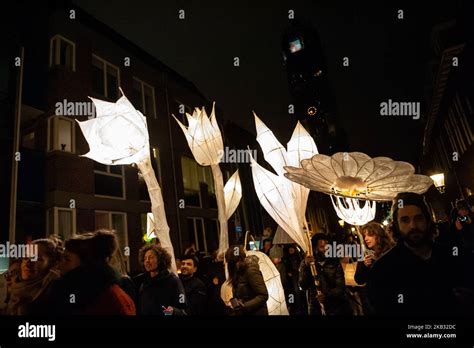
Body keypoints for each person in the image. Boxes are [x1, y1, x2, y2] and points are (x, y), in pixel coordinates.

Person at [367, 192, 465, 316]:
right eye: (405, 220)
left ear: (428, 220)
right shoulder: (382, 270)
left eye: (418, 218)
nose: (413, 226)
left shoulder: (451, 256)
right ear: (396, 225)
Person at [50, 230, 136, 315]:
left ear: (87, 264)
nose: (59, 265)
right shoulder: (74, 293)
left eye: (67, 259)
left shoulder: (109, 299)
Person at [5, 237, 62, 315]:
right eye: (25, 258)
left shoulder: (57, 291)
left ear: (52, 263)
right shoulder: (16, 289)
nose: (28, 264)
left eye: (37, 259)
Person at [299, 233, 352, 316]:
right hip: (317, 309)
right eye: (322, 247)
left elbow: (341, 287)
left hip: (336, 308)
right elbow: (303, 285)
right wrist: (306, 266)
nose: (326, 249)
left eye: (327, 246)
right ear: (314, 249)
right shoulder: (307, 264)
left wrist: (327, 295)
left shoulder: (334, 263)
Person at [137, 244, 188, 315]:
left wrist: (173, 311)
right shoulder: (144, 285)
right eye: (145, 258)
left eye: (151, 257)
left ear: (160, 260)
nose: (147, 261)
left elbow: (183, 309)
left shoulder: (173, 281)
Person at [224, 245, 268, 315]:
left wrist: (244, 305)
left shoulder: (250, 271)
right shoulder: (237, 272)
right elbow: (239, 294)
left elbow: (263, 295)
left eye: (229, 262)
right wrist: (234, 303)